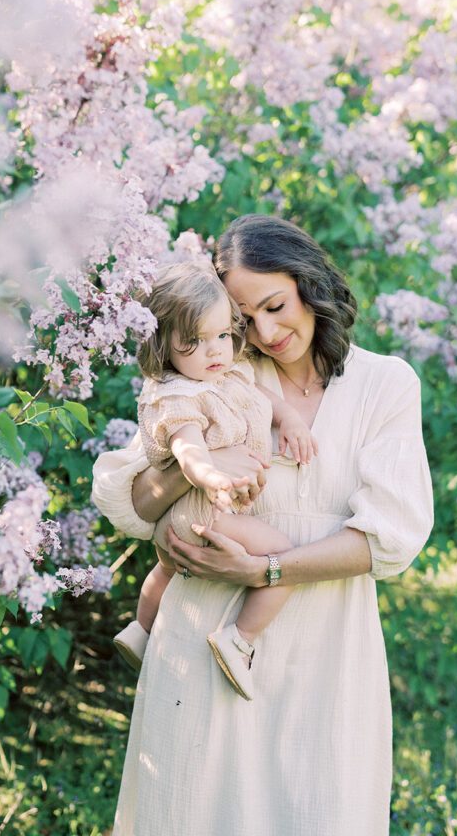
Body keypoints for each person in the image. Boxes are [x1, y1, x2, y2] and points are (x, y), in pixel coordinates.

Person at [92, 214, 434, 836]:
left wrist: (262, 568)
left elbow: (390, 536)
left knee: (320, 809)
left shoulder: (385, 384)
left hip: (328, 654)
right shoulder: (219, 374)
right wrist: (195, 469)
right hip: (200, 642)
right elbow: (133, 504)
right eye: (246, 320)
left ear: (311, 283)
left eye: (277, 306)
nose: (268, 332)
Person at [112, 261, 318, 700]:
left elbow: (264, 399)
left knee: (165, 567)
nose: (215, 351)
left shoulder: (226, 377)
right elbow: (188, 452)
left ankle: (139, 630)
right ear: (163, 346)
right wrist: (211, 480)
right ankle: (238, 639)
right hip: (209, 512)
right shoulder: (178, 396)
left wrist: (291, 421)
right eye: (196, 342)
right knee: (285, 557)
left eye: (223, 336)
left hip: (185, 517)